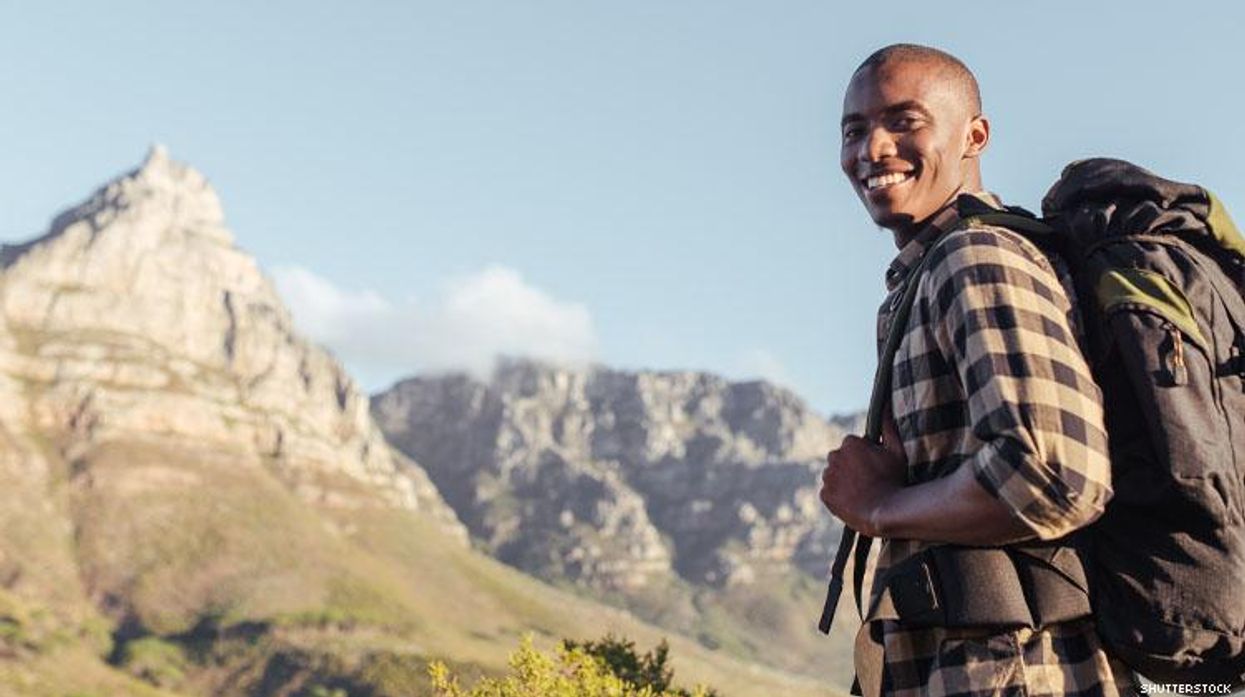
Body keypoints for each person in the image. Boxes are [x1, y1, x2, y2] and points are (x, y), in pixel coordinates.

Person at [819, 44, 1137, 696]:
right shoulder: (926, 276)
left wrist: (880, 505)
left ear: (974, 135)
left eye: (903, 121)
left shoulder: (977, 256)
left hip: (1019, 669)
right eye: (854, 129)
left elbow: (1053, 473)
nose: (871, 148)